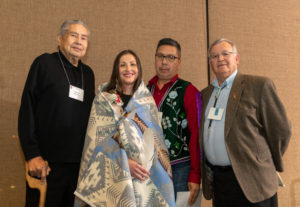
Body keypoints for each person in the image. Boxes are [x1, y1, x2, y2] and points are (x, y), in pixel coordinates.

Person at [74, 50, 175, 207]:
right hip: (111, 174)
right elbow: (97, 141)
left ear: (139, 69)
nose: (128, 69)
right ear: (116, 70)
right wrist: (125, 163)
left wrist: (141, 164)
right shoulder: (104, 98)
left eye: (133, 64)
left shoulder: (146, 101)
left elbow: (156, 142)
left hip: (143, 176)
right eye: (123, 65)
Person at [200, 38, 291, 207]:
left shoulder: (258, 86)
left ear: (237, 58)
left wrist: (264, 161)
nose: (220, 59)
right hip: (220, 183)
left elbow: (281, 130)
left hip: (254, 181)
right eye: (214, 56)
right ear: (210, 62)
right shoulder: (205, 94)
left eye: (225, 54)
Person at [18, 19, 95, 207]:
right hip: (46, 165)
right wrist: (32, 154)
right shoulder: (44, 63)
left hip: (77, 168)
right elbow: (27, 109)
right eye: (74, 35)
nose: (79, 41)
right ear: (60, 38)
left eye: (84, 38)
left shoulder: (88, 74)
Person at [148, 38, 201, 205]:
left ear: (179, 62)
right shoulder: (144, 90)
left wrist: (195, 175)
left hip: (181, 170)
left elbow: (196, 135)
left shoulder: (189, 91)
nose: (164, 62)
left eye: (171, 58)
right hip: (149, 169)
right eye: (160, 56)